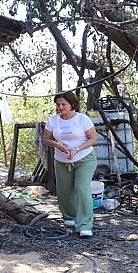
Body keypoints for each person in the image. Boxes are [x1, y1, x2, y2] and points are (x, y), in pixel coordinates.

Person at [43, 91, 98, 237]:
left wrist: (77, 148)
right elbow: (46, 139)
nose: (60, 107)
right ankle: (70, 217)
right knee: (64, 192)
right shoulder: (53, 120)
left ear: (72, 104)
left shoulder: (82, 119)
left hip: (84, 158)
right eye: (58, 104)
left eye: (63, 104)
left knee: (81, 189)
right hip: (61, 160)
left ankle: (85, 224)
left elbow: (93, 139)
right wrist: (56, 144)